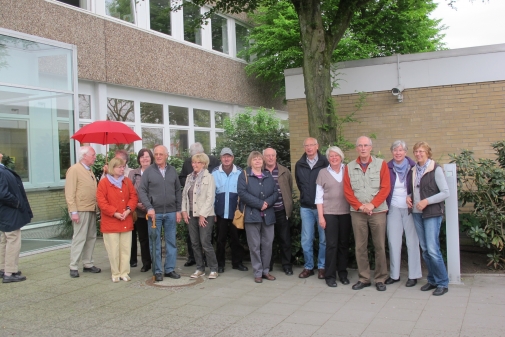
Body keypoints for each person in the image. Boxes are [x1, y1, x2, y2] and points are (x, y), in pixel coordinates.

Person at [343, 136, 391, 291]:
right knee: (360, 246)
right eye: (360, 146)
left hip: (377, 212)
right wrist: (360, 206)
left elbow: (385, 188)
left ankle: (380, 278)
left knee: (379, 246)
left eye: (366, 145)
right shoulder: (349, 167)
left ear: (371, 147)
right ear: (356, 148)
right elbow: (347, 191)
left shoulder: (381, 164)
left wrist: (372, 205)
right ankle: (364, 278)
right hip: (357, 213)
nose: (363, 148)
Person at [407, 141, 450, 296]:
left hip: (432, 212)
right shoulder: (413, 170)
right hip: (417, 213)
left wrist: (427, 201)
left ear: (428, 152)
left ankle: (443, 282)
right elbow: (415, 190)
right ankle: (432, 280)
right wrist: (409, 197)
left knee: (432, 249)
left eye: (421, 151)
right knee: (425, 249)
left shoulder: (435, 169)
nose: (418, 154)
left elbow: (445, 192)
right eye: (416, 151)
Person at [138, 145, 182, 282]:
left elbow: (177, 191)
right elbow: (142, 191)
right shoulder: (149, 172)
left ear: (166, 155)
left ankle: (169, 269)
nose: (157, 156)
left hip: (170, 213)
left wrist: (178, 210)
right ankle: (157, 270)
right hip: (154, 214)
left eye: (160, 154)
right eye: (155, 154)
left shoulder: (172, 171)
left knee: (171, 242)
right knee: (155, 243)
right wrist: (149, 207)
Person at [238, 151, 278, 283]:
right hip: (252, 216)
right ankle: (257, 272)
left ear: (263, 161)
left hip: (268, 216)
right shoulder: (244, 175)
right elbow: (242, 193)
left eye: (259, 159)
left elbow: (275, 193)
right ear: (250, 162)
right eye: (254, 159)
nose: (257, 161)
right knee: (254, 245)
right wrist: (260, 204)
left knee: (267, 244)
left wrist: (267, 203)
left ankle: (266, 271)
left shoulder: (268, 175)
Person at [385, 140, 422, 287]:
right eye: (395, 150)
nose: (398, 153)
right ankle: (394, 275)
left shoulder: (414, 167)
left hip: (410, 209)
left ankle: (413, 275)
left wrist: (412, 198)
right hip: (393, 207)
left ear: (406, 152)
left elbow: (420, 186)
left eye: (401, 150)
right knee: (393, 242)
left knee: (413, 242)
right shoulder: (386, 167)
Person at [315, 146, 352, 287]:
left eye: (337, 155)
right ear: (328, 158)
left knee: (343, 244)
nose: (334, 158)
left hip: (346, 213)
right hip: (329, 213)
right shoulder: (322, 173)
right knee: (331, 244)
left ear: (341, 157)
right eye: (331, 156)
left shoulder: (348, 170)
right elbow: (318, 197)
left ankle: (342, 274)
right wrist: (321, 217)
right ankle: (330, 276)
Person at [96, 158, 138, 282]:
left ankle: (124, 272)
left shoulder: (127, 181)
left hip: (126, 219)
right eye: (119, 167)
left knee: (125, 248)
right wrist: (114, 213)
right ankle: (115, 273)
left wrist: (128, 210)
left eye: (123, 167)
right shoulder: (103, 183)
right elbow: (101, 202)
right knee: (113, 250)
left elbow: (133, 196)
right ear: (112, 168)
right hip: (111, 222)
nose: (122, 169)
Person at [179, 142, 220, 267]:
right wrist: (184, 211)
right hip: (191, 213)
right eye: (193, 162)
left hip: (205, 214)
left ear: (204, 163)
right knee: (194, 243)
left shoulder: (209, 177)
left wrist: (203, 215)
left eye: (198, 162)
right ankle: (199, 267)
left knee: (205, 242)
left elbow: (210, 198)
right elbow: (185, 195)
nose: (194, 165)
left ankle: (213, 268)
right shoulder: (189, 177)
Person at [295, 137, 329, 279]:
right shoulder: (299, 164)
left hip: (323, 208)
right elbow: (299, 184)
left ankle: (322, 266)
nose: (309, 148)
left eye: (312, 145)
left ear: (317, 146)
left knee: (323, 239)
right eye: (306, 145)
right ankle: (308, 266)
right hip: (306, 207)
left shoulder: (325, 162)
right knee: (306, 239)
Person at [65, 146, 101, 278]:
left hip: (91, 208)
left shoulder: (89, 170)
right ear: (84, 156)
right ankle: (73, 266)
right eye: (93, 155)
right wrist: (73, 210)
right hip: (80, 209)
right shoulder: (74, 170)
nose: (95, 157)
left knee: (91, 237)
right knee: (79, 237)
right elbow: (69, 192)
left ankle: (88, 263)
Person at [212, 148, 248, 273]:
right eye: (224, 157)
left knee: (236, 239)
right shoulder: (215, 172)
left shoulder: (240, 172)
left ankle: (237, 263)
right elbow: (211, 194)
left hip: (235, 212)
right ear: (220, 158)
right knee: (220, 239)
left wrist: (242, 211)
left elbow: (243, 193)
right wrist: (213, 212)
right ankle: (220, 264)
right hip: (220, 212)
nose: (226, 159)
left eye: (229, 156)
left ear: (233, 158)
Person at [0, 152, 32, 283]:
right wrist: (16, 202)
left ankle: (3, 268)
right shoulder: (1, 171)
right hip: (9, 212)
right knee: (13, 240)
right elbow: (2, 193)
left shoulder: (2, 169)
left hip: (5, 212)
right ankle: (10, 272)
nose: (1, 154)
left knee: (4, 240)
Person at [263, 147, 294, 275]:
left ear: (276, 157)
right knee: (267, 240)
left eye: (273, 155)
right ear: (264, 157)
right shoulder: (260, 171)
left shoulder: (284, 171)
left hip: (281, 210)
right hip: (266, 212)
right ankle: (267, 265)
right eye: (268, 155)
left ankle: (287, 265)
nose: (270, 158)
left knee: (285, 239)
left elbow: (289, 189)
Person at [128, 148, 154, 272]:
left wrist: (149, 205)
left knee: (154, 238)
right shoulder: (133, 173)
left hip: (153, 211)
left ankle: (156, 260)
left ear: (151, 158)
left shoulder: (156, 172)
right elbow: (129, 191)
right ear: (139, 159)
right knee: (143, 238)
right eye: (142, 156)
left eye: (147, 156)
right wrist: (137, 204)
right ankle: (146, 263)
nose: (145, 159)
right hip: (138, 211)